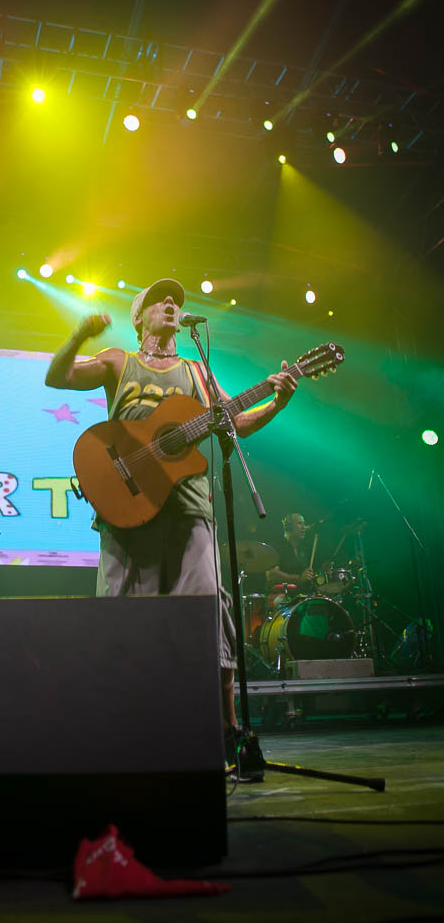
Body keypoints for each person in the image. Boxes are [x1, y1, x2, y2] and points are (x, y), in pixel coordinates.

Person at [45, 278, 298, 735]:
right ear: (139, 317)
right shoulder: (118, 361)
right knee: (123, 610)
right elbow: (57, 376)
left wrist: (276, 403)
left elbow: (234, 422)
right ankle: (118, 721)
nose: (169, 304)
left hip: (189, 505)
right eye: (159, 299)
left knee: (207, 605)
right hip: (126, 503)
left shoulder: (198, 371)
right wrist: (80, 335)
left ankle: (226, 725)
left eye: (175, 301)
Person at [266, 513, 314, 609]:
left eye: (304, 524)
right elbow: (272, 575)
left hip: (301, 597)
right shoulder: (277, 547)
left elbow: (307, 576)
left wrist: (321, 572)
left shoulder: (304, 550)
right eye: (300, 523)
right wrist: (299, 579)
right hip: (282, 597)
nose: (304, 527)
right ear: (288, 527)